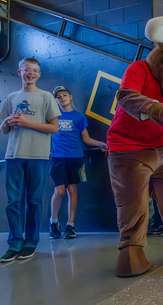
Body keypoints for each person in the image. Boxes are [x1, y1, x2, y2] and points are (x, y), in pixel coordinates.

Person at [0, 57, 61, 262]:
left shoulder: (45, 97)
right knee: (13, 203)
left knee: (34, 202)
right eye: (27, 70)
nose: (31, 73)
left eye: (35, 70)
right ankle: (15, 243)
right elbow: (3, 129)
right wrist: (7, 122)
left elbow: (54, 128)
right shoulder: (11, 97)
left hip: (38, 156)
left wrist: (27, 122)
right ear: (19, 72)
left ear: (39, 74)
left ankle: (31, 244)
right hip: (14, 156)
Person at [49, 86, 106, 240]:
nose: (62, 98)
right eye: (58, 96)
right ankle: (53, 222)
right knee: (59, 191)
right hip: (58, 159)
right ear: (55, 100)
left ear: (71, 96)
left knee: (73, 191)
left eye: (64, 95)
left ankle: (70, 226)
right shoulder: (52, 116)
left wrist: (101, 143)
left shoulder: (79, 117)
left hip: (76, 158)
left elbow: (86, 139)